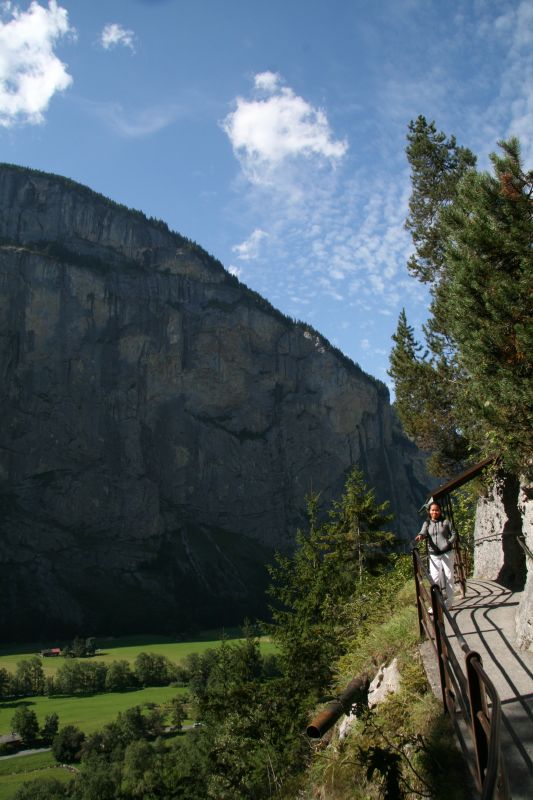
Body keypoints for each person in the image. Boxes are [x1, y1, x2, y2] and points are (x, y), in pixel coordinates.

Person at [416, 501, 456, 609]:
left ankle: (449, 603)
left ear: (440, 510)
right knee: (434, 579)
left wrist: (448, 543)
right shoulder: (427, 523)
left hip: (447, 552)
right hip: (434, 554)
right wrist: (420, 535)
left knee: (449, 577)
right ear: (429, 511)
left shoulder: (446, 522)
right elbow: (423, 532)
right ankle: (436, 604)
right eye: (432, 510)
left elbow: (454, 534)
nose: (435, 512)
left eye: (437, 510)